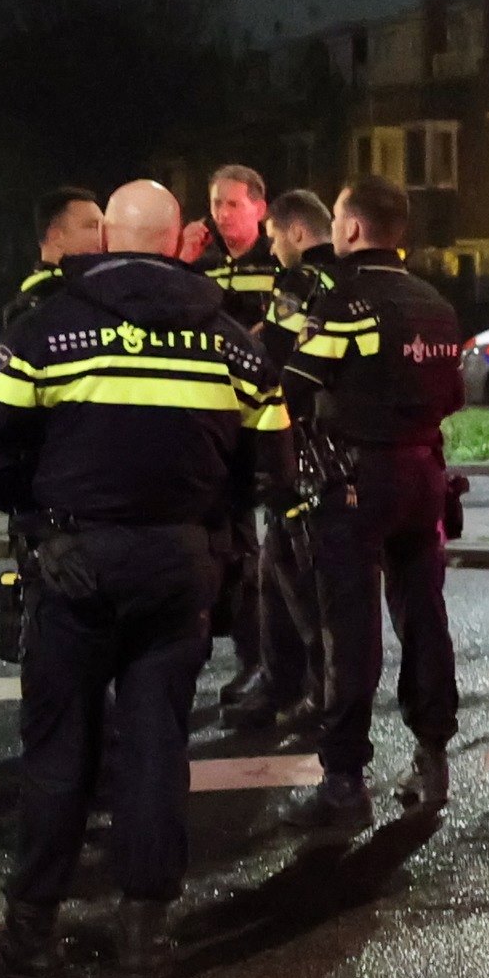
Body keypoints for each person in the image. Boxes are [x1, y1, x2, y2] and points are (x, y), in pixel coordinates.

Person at [0, 179, 289, 978]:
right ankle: (145, 940)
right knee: (158, 747)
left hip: (75, 565)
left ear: (104, 242)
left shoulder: (45, 331)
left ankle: (32, 942)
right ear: (176, 242)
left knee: (61, 749)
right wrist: (212, 521)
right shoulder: (234, 343)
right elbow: (268, 464)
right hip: (179, 568)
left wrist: (39, 507)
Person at [275, 177, 466, 830]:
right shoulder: (436, 304)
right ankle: (432, 754)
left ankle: (345, 779)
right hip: (425, 474)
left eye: (335, 217)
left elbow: (292, 390)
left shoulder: (342, 301)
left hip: (354, 479)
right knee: (424, 616)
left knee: (349, 628)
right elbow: (452, 397)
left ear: (350, 229)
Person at [231, 187, 339, 734]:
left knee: (299, 576)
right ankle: (281, 682)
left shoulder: (300, 281)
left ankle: (313, 694)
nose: (271, 246)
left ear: (297, 232)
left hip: (299, 445)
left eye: (274, 235)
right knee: (279, 566)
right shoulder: (350, 279)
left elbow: (270, 351)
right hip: (334, 446)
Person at [198, 165, 282, 721]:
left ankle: (265, 663)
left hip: (262, 423)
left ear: (260, 207)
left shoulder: (276, 266)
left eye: (233, 204)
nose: (223, 214)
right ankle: (241, 657)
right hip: (209, 423)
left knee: (264, 555)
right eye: (216, 204)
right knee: (222, 550)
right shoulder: (202, 267)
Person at [6, 187, 103, 328]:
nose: (102, 234)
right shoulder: (44, 299)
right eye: (92, 226)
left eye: (103, 227)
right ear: (56, 236)